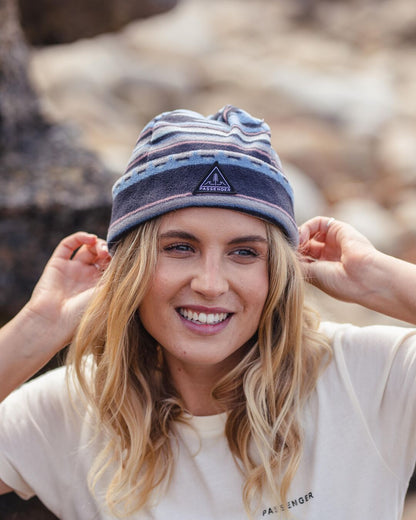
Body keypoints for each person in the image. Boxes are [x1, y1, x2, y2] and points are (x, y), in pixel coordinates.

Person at [0, 105, 415, 520]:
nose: (211, 284)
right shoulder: (74, 410)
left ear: (277, 271)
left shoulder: (373, 376)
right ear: (130, 267)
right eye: (180, 247)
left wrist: (377, 279)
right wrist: (40, 326)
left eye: (244, 252)